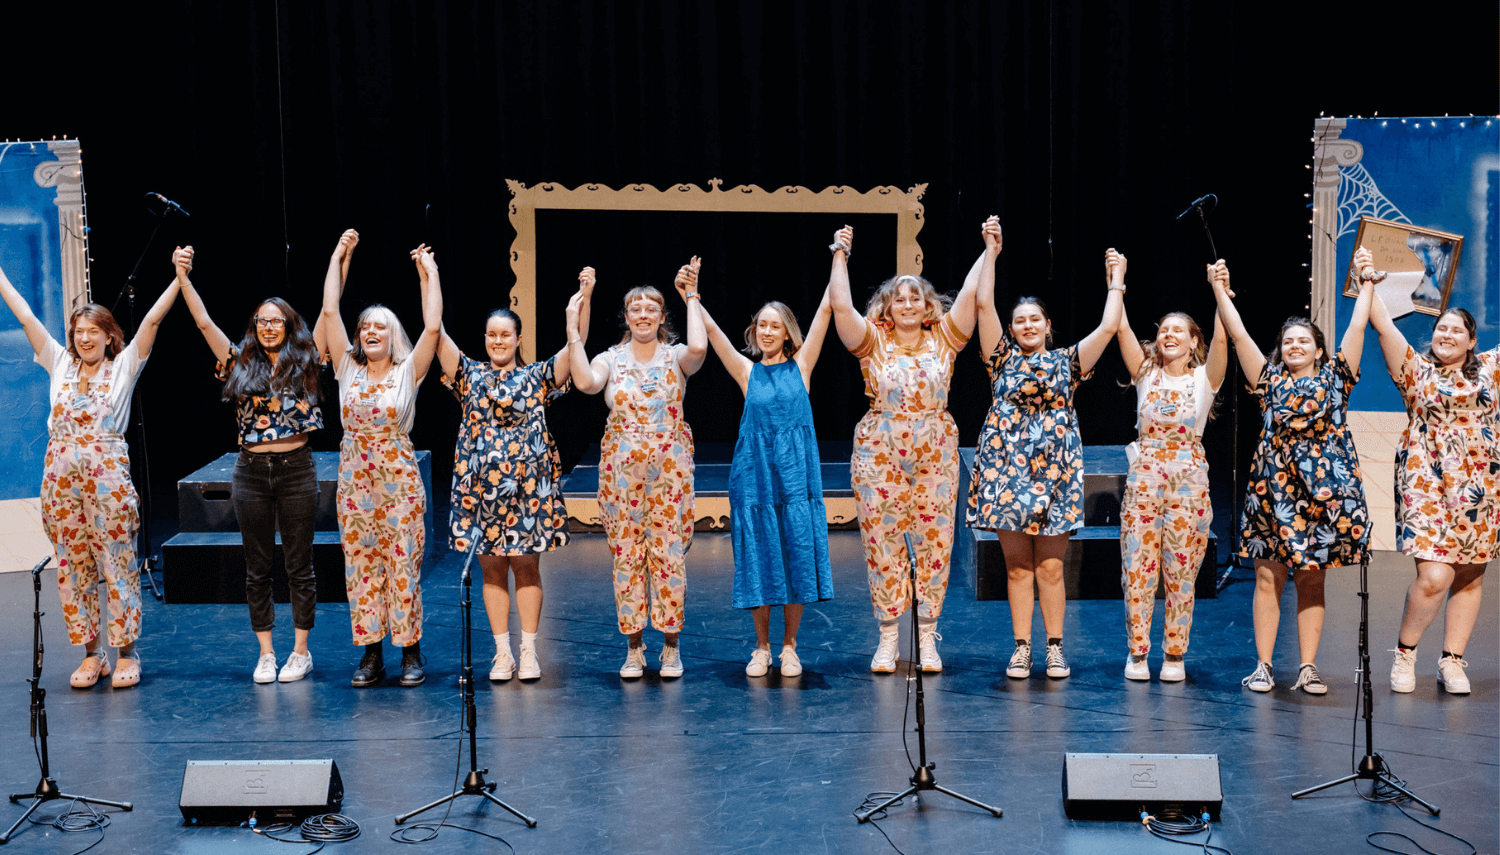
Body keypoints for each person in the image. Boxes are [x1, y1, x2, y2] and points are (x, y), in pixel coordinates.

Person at [0, 251, 183, 689]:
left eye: (93, 332)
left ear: (108, 337)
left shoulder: (122, 369)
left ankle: (127, 653)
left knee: (117, 562)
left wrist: (178, 279)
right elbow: (25, 317)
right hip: (62, 479)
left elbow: (152, 323)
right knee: (71, 567)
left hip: (107, 479)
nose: (84, 339)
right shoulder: (59, 364)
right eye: (78, 332)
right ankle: (91, 653)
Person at [968, 224, 1124, 681]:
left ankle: (1055, 648)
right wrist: (991, 252)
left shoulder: (1069, 362)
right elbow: (982, 303)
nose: (1027, 326)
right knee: (1017, 567)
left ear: (1048, 326)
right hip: (1004, 471)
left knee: (1051, 567)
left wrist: (1116, 278)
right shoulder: (1000, 358)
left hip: (1055, 471)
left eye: (1035, 319)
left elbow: (1110, 326)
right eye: (1020, 321)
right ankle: (1022, 649)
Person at [1209, 259, 1372, 695]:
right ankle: (1263, 665)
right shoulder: (1268, 379)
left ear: (1319, 350)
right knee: (1268, 577)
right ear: (1280, 350)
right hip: (1274, 491)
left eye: (1305, 340)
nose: (1295, 345)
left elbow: (1356, 330)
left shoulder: (1338, 378)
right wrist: (1220, 290)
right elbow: (1240, 334)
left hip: (1324, 497)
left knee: (1311, 578)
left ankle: (1307, 667)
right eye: (1288, 341)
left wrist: (1365, 284)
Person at [827, 224, 981, 673]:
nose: (908, 303)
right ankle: (890, 637)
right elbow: (840, 305)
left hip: (934, 445)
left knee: (936, 540)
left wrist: (987, 252)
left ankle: (928, 636)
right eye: (900, 297)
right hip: (881, 448)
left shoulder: (944, 339)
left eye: (916, 297)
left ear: (927, 305)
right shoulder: (873, 341)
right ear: (888, 307)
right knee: (883, 541)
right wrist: (841, 254)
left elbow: (971, 297)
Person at [438, 268, 591, 684]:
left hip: (528, 491)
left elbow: (575, 348)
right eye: (491, 335)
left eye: (505, 334)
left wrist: (582, 300)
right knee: (491, 572)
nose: (498, 341)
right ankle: (501, 653)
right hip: (480, 492)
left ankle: (528, 651)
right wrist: (431, 276)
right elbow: (435, 332)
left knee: (526, 568)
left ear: (518, 338)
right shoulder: (469, 376)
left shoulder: (537, 376)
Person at [179, 250, 325, 684]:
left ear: (290, 324)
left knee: (300, 564)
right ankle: (266, 653)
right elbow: (204, 323)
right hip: (251, 473)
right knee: (257, 566)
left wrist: (339, 257)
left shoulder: (307, 359)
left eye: (276, 320)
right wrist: (183, 277)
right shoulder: (240, 361)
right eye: (261, 320)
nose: (268, 326)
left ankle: (300, 651)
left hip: (297, 468)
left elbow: (329, 309)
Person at [1359, 245, 1498, 695]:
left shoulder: (1491, 371)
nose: (1447, 334)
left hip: (1482, 487)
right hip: (1427, 481)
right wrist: (1366, 278)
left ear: (1472, 341)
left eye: (1457, 330)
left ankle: (1452, 661)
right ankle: (1405, 653)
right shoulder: (1416, 371)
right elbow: (1382, 323)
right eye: (1441, 328)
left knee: (1470, 572)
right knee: (1436, 575)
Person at [569, 260, 707, 679]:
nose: (643, 314)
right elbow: (585, 383)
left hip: (669, 469)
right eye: (635, 309)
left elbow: (699, 349)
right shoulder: (612, 359)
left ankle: (670, 645)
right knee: (626, 555)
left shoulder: (675, 356)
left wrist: (691, 296)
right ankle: (633, 646)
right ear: (626, 317)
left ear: (663, 316)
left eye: (651, 308)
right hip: (621, 472)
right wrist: (574, 328)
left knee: (668, 554)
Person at [697, 259, 835, 678]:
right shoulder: (747, 371)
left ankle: (790, 646)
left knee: (794, 555)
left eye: (775, 325)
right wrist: (692, 296)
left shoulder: (804, 364)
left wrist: (839, 258)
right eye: (762, 325)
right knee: (759, 558)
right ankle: (761, 647)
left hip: (794, 478)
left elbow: (829, 308)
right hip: (754, 478)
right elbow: (716, 337)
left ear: (788, 331)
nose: (767, 331)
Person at [316, 230, 442, 687]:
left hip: (399, 482)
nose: (371, 331)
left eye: (380, 327)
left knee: (403, 563)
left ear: (393, 338)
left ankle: (410, 651)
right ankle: (371, 654)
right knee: (362, 566)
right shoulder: (346, 368)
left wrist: (429, 275)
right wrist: (338, 255)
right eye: (365, 327)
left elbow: (432, 328)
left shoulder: (408, 372)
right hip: (355, 483)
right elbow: (330, 309)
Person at [1115, 264, 1227, 682]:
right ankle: (1138, 653)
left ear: (1193, 341)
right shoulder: (1146, 374)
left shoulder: (1203, 378)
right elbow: (1121, 330)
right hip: (1145, 476)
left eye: (1178, 330)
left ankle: (1175, 654)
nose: (1169, 335)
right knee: (1138, 568)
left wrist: (1218, 291)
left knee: (1182, 569)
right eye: (1164, 329)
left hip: (1188, 479)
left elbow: (1222, 337)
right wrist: (1117, 281)